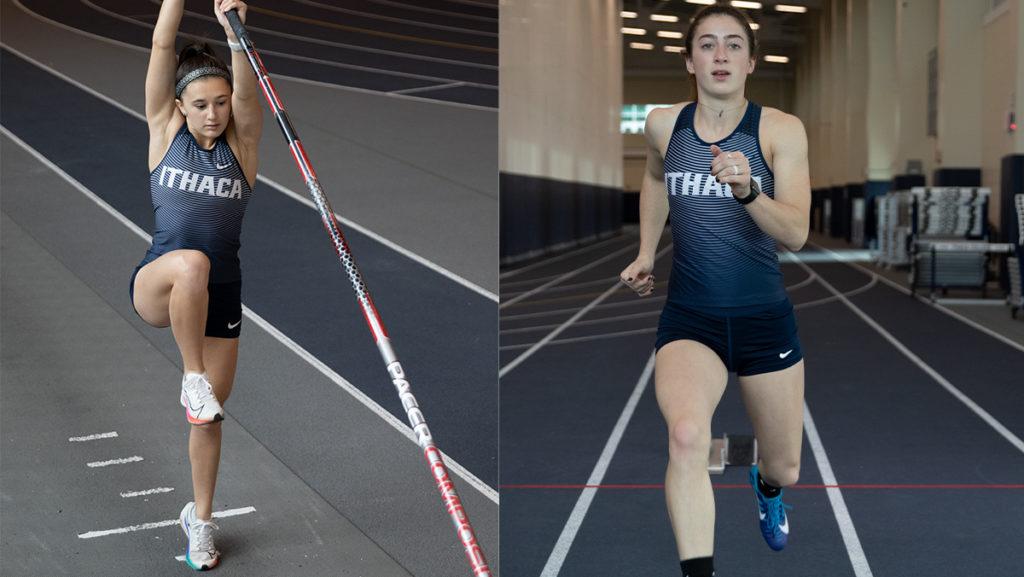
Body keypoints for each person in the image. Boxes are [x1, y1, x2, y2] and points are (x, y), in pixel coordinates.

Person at [618, 5, 810, 577]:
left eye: (732, 45)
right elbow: (655, 175)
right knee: (685, 436)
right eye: (707, 44)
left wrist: (749, 191)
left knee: (787, 465)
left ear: (752, 61)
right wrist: (647, 251)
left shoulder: (779, 129)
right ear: (689, 60)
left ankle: (767, 487)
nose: (720, 55)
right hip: (690, 320)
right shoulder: (662, 123)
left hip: (763, 320)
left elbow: (797, 233)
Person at [130, 0, 262, 570]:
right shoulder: (165, 134)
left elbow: (248, 90)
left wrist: (236, 29)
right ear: (178, 107)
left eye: (221, 102)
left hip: (221, 296)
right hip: (160, 282)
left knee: (208, 418)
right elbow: (163, 47)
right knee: (192, 264)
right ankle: (191, 375)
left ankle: (200, 522)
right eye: (201, 105)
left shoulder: (242, 150)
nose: (213, 114)